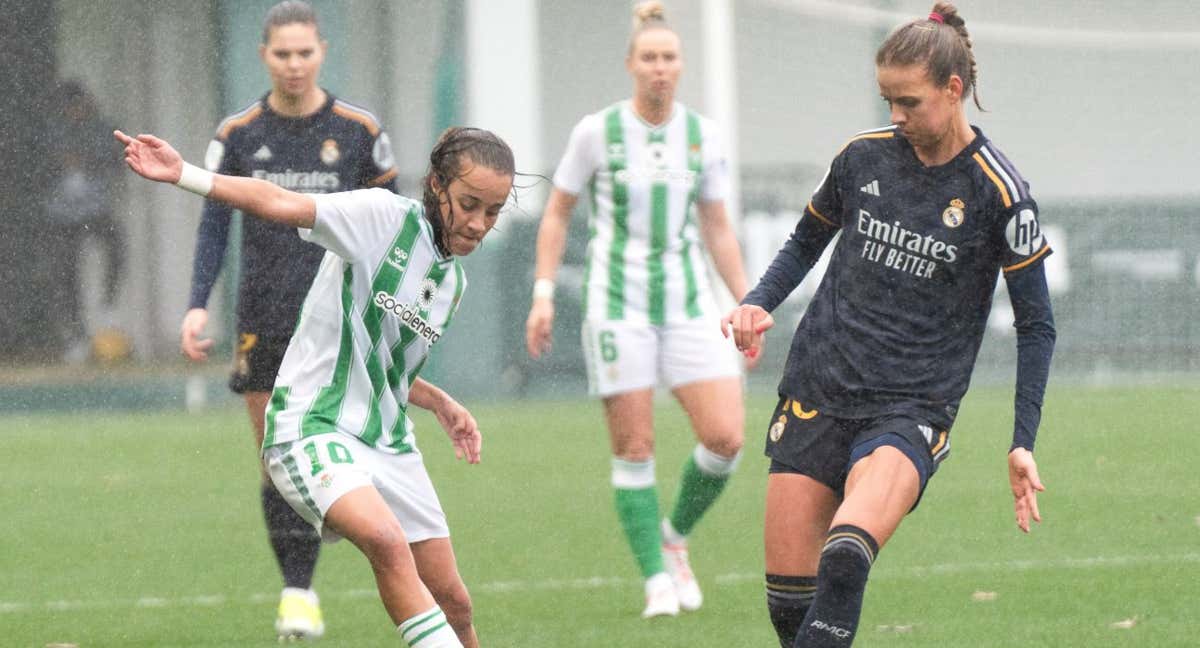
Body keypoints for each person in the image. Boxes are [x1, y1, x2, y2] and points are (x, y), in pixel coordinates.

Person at [722, 4, 1056, 646]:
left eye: (910, 102)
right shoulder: (861, 158)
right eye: (888, 101)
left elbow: (1037, 325)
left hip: (909, 407)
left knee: (845, 557)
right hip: (819, 387)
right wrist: (757, 300)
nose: (896, 116)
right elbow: (805, 240)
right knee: (790, 610)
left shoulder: (1000, 193)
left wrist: (1023, 438)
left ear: (953, 90)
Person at [117, 124, 513, 648]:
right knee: (384, 540)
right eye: (469, 203)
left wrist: (436, 400)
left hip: (388, 444)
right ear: (437, 185)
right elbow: (278, 200)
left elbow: (378, 363)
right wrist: (186, 175)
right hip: (311, 428)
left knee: (456, 602)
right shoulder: (382, 218)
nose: (478, 223)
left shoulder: (452, 282)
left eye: (492, 212)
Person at [525, 0, 753, 619]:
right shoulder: (596, 132)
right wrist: (543, 294)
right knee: (634, 447)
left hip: (688, 305)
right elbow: (558, 212)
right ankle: (655, 578)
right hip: (617, 306)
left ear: (681, 67)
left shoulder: (702, 135)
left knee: (727, 437)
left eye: (670, 58)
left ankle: (673, 537)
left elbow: (718, 229)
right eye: (649, 57)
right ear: (631, 64)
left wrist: (747, 302)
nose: (660, 68)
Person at [180, 2, 400, 639]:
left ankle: (343, 515)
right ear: (264, 57)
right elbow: (214, 222)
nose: (295, 64)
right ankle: (298, 593)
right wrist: (198, 301)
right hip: (266, 315)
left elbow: (391, 222)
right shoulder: (240, 134)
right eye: (283, 54)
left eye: (305, 52)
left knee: (356, 448)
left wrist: (395, 302)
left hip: (343, 318)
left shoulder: (359, 131)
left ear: (322, 51)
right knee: (276, 457)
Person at [44, 79, 127, 363]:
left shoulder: (101, 129)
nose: (75, 112)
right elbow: (34, 168)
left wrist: (90, 159)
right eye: (70, 108)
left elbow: (118, 159)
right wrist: (59, 163)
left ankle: (108, 304)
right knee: (65, 272)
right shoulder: (52, 132)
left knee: (116, 248)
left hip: (95, 210)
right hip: (63, 215)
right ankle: (76, 334)